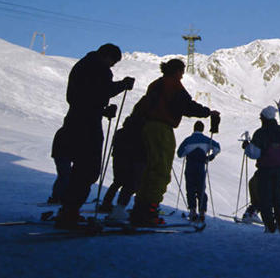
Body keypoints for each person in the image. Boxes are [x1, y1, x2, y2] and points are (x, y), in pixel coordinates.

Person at [130, 59, 220, 226]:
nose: (183, 74)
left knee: (149, 168)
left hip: (146, 127)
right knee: (160, 169)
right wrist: (207, 112)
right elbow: (186, 106)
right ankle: (149, 211)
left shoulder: (156, 84)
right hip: (161, 127)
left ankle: (139, 208)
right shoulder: (173, 85)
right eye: (182, 71)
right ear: (177, 71)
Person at [54, 43, 135, 229]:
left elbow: (87, 96)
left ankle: (68, 210)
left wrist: (103, 110)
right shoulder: (98, 68)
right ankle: (70, 212)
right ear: (107, 56)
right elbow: (101, 90)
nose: (112, 66)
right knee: (88, 168)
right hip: (87, 124)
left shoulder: (83, 65)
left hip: (75, 119)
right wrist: (123, 85)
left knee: (79, 169)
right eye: (113, 62)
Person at [243, 106, 280, 233]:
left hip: (265, 169)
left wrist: (247, 147)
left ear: (264, 118)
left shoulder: (260, 133)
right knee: (279, 196)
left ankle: (270, 226)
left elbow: (254, 153)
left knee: (265, 197)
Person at [99, 98, 149, 221]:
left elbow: (115, 145)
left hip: (118, 159)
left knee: (118, 181)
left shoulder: (122, 131)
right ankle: (120, 208)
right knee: (130, 184)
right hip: (133, 159)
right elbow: (142, 147)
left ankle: (106, 203)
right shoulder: (141, 130)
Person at [177, 120, 221, 222]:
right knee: (201, 189)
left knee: (190, 188)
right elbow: (217, 147)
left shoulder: (188, 140)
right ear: (202, 129)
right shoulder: (206, 140)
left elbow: (180, 153)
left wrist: (187, 153)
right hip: (201, 166)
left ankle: (192, 211)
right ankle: (202, 212)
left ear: (194, 128)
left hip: (190, 166)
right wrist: (211, 156)